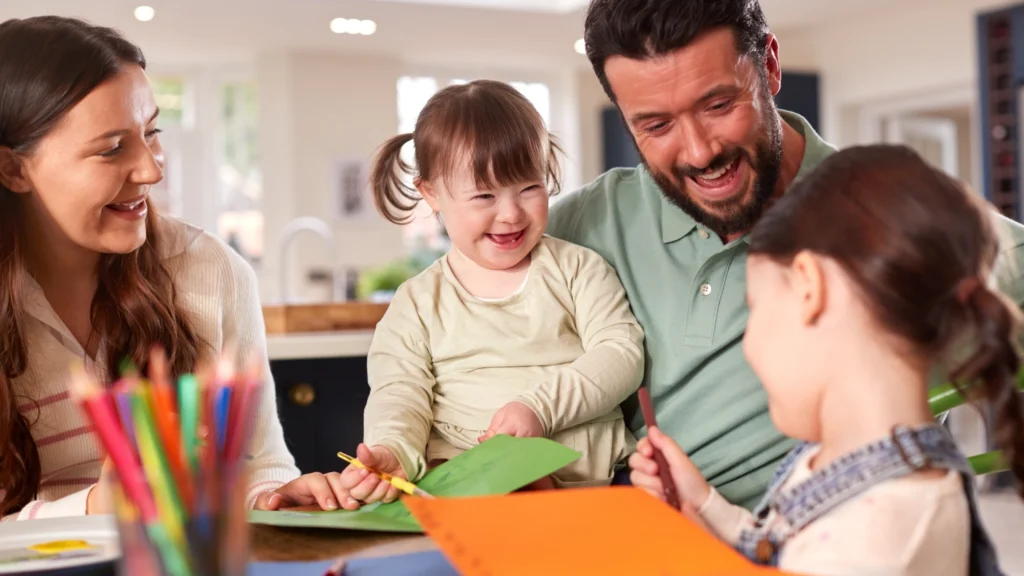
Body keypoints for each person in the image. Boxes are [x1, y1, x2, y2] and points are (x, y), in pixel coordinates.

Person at [549, 0, 1024, 509]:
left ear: (770, 66)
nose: (698, 152)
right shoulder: (581, 224)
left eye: (718, 106)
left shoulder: (887, 221)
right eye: (656, 126)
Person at [0, 15, 343, 520]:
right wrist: (98, 506)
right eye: (113, 148)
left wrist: (272, 496)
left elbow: (261, 461)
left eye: (151, 132)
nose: (153, 168)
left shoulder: (210, 269)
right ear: (13, 169)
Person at [630, 145, 1022, 575]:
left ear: (808, 288)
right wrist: (702, 504)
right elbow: (776, 550)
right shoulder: (841, 457)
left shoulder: (877, 538)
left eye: (755, 307)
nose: (748, 344)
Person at [325, 79, 645, 508]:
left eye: (529, 188)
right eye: (484, 195)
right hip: (468, 487)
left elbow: (621, 353)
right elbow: (399, 392)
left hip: (591, 482)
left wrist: (540, 408)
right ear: (432, 193)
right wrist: (394, 449)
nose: (511, 214)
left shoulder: (578, 269)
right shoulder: (417, 303)